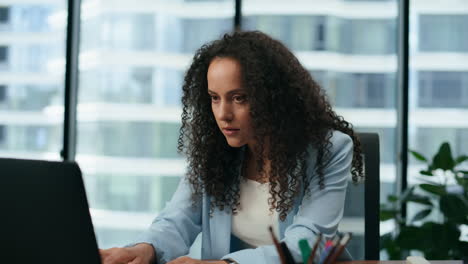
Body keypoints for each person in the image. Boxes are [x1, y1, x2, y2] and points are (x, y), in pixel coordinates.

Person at [100, 31, 364, 264]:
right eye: (214, 98)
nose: (223, 114)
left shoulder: (329, 149)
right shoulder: (215, 151)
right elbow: (177, 219)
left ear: (272, 98)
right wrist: (146, 248)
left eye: (239, 98)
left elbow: (309, 243)